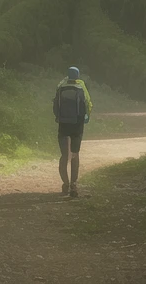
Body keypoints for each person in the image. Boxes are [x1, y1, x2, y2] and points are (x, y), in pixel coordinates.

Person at [52, 66, 92, 198]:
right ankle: (74, 184)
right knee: (75, 154)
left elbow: (55, 106)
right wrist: (86, 117)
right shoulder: (81, 86)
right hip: (77, 125)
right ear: (78, 75)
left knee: (64, 155)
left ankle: (65, 183)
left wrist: (58, 117)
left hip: (63, 124)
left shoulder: (61, 86)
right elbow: (88, 104)